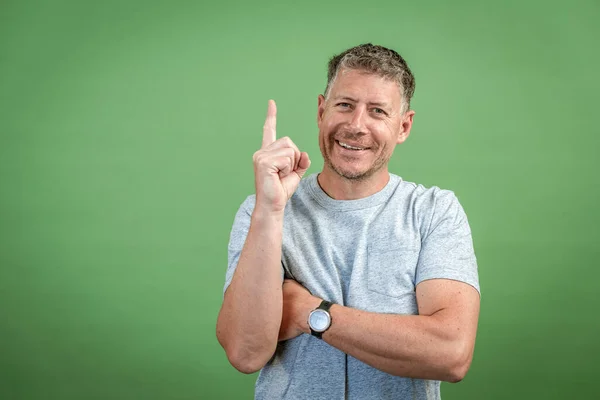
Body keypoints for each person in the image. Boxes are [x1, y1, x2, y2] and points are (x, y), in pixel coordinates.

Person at [216, 43, 480, 400]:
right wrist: (271, 210)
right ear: (322, 110)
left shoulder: (434, 212)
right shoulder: (261, 211)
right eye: (344, 105)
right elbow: (245, 352)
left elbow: (450, 355)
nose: (356, 126)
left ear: (403, 126)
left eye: (377, 111)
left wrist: (308, 312)